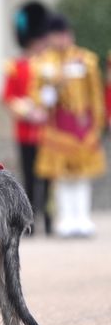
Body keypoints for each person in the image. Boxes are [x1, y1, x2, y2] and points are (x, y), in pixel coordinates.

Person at [30, 14, 106, 237]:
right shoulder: (43, 63)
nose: (61, 39)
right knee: (61, 177)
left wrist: (97, 125)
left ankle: (82, 217)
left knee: (83, 176)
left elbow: (96, 96)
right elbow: (38, 96)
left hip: (82, 127)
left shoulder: (87, 60)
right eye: (56, 35)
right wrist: (56, 80)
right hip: (57, 127)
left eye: (64, 34)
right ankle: (66, 218)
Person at [2, 0, 52, 235]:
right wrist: (28, 111)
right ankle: (32, 222)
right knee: (30, 176)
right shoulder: (16, 65)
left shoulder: (51, 65)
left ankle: (50, 219)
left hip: (49, 130)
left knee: (50, 176)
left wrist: (45, 112)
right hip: (25, 129)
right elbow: (9, 96)